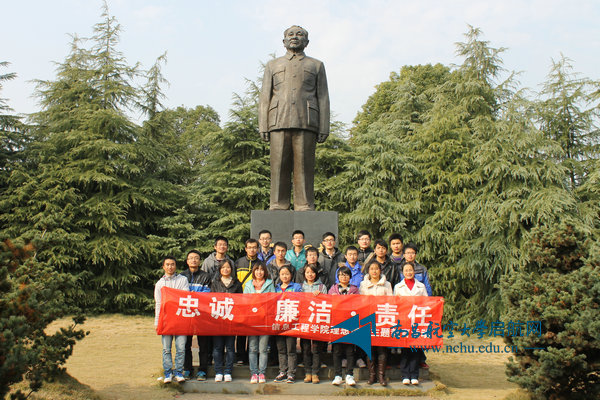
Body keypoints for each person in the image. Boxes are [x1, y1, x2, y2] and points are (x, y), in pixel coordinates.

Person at [258, 25, 330, 211]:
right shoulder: (272, 65)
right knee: (278, 165)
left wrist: (324, 126)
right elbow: (265, 97)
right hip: (278, 120)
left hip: (306, 121)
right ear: (284, 41)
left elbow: (323, 97)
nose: (294, 37)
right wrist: (263, 125)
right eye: (290, 34)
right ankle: (278, 203)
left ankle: (304, 203)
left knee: (304, 166)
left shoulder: (316, 65)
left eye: (299, 34)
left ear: (307, 41)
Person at [154, 256, 189, 384]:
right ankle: (168, 373)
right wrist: (157, 322)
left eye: (172, 264)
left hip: (180, 319)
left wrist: (171, 299)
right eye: (167, 264)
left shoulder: (183, 280)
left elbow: (184, 297)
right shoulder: (160, 284)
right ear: (163, 267)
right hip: (166, 320)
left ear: (176, 266)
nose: (170, 267)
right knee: (166, 349)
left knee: (181, 348)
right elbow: (159, 303)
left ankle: (179, 372)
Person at [394, 262, 428, 385]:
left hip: (417, 320)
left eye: (410, 270)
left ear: (414, 271)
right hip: (404, 321)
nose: (408, 272)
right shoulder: (398, 287)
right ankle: (405, 375)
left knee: (415, 348)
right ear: (402, 272)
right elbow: (395, 304)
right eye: (406, 270)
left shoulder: (421, 286)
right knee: (405, 348)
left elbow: (426, 302)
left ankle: (414, 375)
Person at [359, 261, 392, 386]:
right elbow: (360, 301)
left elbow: (391, 301)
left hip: (382, 320)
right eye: (372, 269)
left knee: (382, 349)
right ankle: (372, 375)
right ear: (368, 271)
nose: (374, 271)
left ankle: (381, 376)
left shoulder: (387, 284)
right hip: (368, 320)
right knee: (370, 348)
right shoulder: (363, 284)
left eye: (376, 268)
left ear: (380, 270)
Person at [181, 250, 212, 381]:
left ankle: (202, 371)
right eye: (191, 258)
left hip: (201, 315)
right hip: (186, 315)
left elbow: (207, 294)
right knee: (186, 344)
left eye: (196, 258)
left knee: (203, 345)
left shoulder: (206, 276)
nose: (194, 260)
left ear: (200, 261)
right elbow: (179, 295)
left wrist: (193, 295)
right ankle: (187, 369)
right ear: (187, 261)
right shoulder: (181, 277)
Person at [211, 260, 243, 383]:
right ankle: (218, 371)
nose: (225, 269)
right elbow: (210, 300)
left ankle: (228, 371)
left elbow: (240, 301)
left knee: (230, 347)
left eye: (228, 267)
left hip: (231, 320)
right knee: (218, 347)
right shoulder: (215, 283)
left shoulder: (237, 284)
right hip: (218, 320)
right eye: (223, 267)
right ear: (219, 269)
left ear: (232, 269)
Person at [243, 263, 275, 384]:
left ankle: (262, 373)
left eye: (262, 270)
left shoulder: (270, 284)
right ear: (254, 271)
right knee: (252, 348)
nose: (259, 272)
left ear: (265, 272)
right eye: (257, 270)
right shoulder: (248, 285)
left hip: (265, 321)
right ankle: (253, 373)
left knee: (263, 349)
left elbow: (273, 301)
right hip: (252, 321)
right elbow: (244, 301)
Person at [328, 266, 359, 386]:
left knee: (350, 350)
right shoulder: (333, 289)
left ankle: (349, 375)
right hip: (336, 324)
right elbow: (329, 302)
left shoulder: (354, 290)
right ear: (338, 277)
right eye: (341, 275)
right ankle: (338, 375)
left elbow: (358, 304)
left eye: (346, 275)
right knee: (337, 350)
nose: (343, 277)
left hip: (350, 323)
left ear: (350, 277)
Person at [235, 239, 263, 366]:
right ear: (245, 249)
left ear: (258, 249)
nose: (252, 250)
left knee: (254, 330)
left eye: (254, 247)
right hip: (241, 301)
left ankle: (253, 355)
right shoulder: (239, 262)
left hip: (257, 302)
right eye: (249, 247)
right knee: (241, 330)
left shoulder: (261, 264)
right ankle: (241, 356)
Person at [273, 265, 302, 383]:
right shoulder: (275, 288)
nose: (285, 276)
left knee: (291, 349)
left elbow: (301, 300)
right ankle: (282, 371)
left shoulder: (296, 287)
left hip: (291, 323)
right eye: (282, 274)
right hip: (279, 323)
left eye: (287, 274)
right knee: (281, 349)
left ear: (291, 275)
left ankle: (291, 373)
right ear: (279, 276)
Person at [300, 264, 327, 383]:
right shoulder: (300, 287)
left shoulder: (322, 287)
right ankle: (307, 372)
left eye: (312, 272)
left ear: (316, 274)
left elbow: (326, 302)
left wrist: (320, 296)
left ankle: (315, 372)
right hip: (304, 321)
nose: (310, 275)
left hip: (317, 322)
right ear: (304, 274)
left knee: (316, 348)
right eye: (307, 272)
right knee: (305, 348)